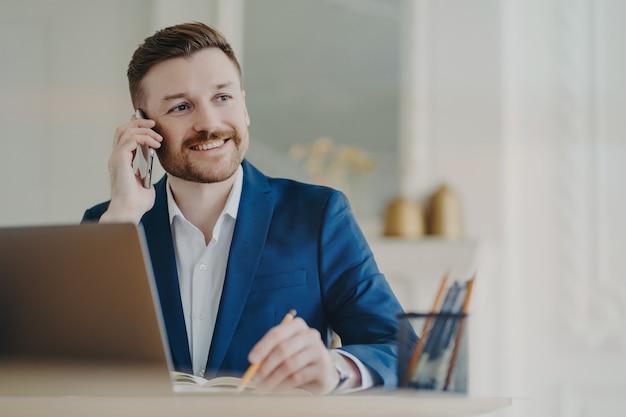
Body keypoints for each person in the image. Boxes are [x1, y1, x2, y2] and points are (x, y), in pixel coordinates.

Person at [83, 22, 404, 395]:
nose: (210, 123)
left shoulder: (319, 215)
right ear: (143, 127)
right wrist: (122, 219)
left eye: (222, 98)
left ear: (244, 106)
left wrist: (333, 368)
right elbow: (60, 365)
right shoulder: (108, 224)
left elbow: (400, 348)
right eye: (182, 106)